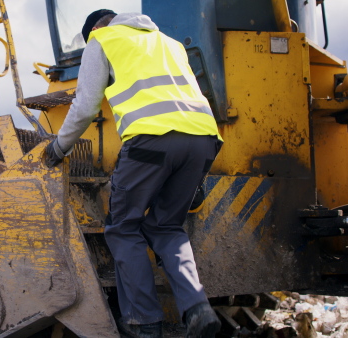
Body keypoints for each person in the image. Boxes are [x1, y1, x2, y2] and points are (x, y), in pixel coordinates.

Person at [45, 9, 223, 338]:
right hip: (204, 141)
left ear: (96, 28)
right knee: (166, 226)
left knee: (124, 229)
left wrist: (58, 148)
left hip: (150, 142)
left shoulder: (103, 39)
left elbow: (85, 105)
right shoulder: (168, 43)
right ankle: (197, 309)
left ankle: (144, 322)